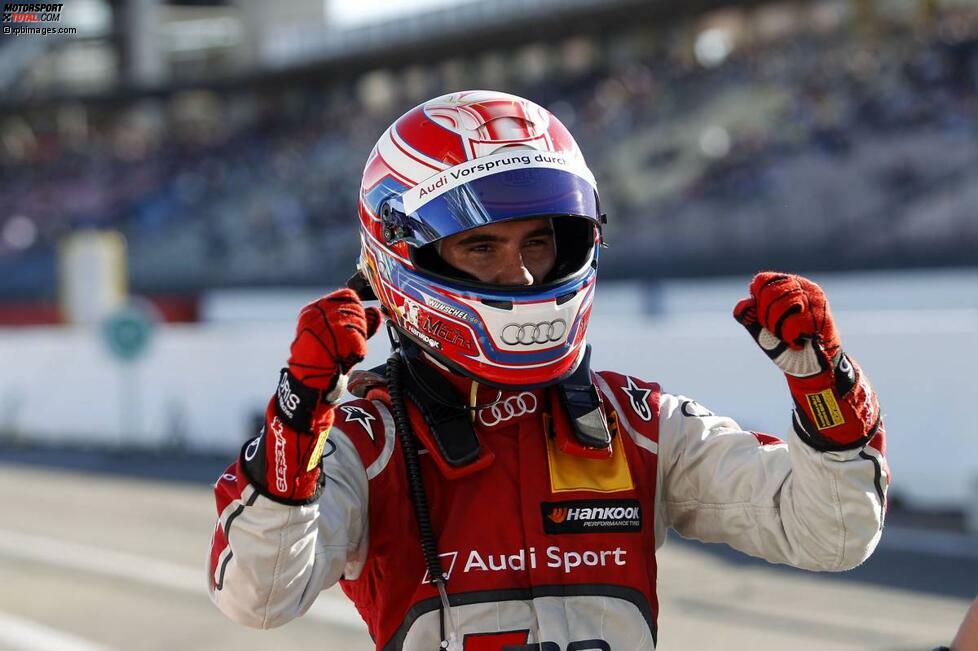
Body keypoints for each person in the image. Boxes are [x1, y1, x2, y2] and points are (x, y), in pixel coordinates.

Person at [207, 90, 889, 650]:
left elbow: (832, 533)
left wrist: (822, 386)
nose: (523, 271)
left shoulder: (639, 423)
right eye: (482, 246)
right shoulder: (366, 442)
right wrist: (299, 420)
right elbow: (258, 595)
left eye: (540, 239)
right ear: (401, 254)